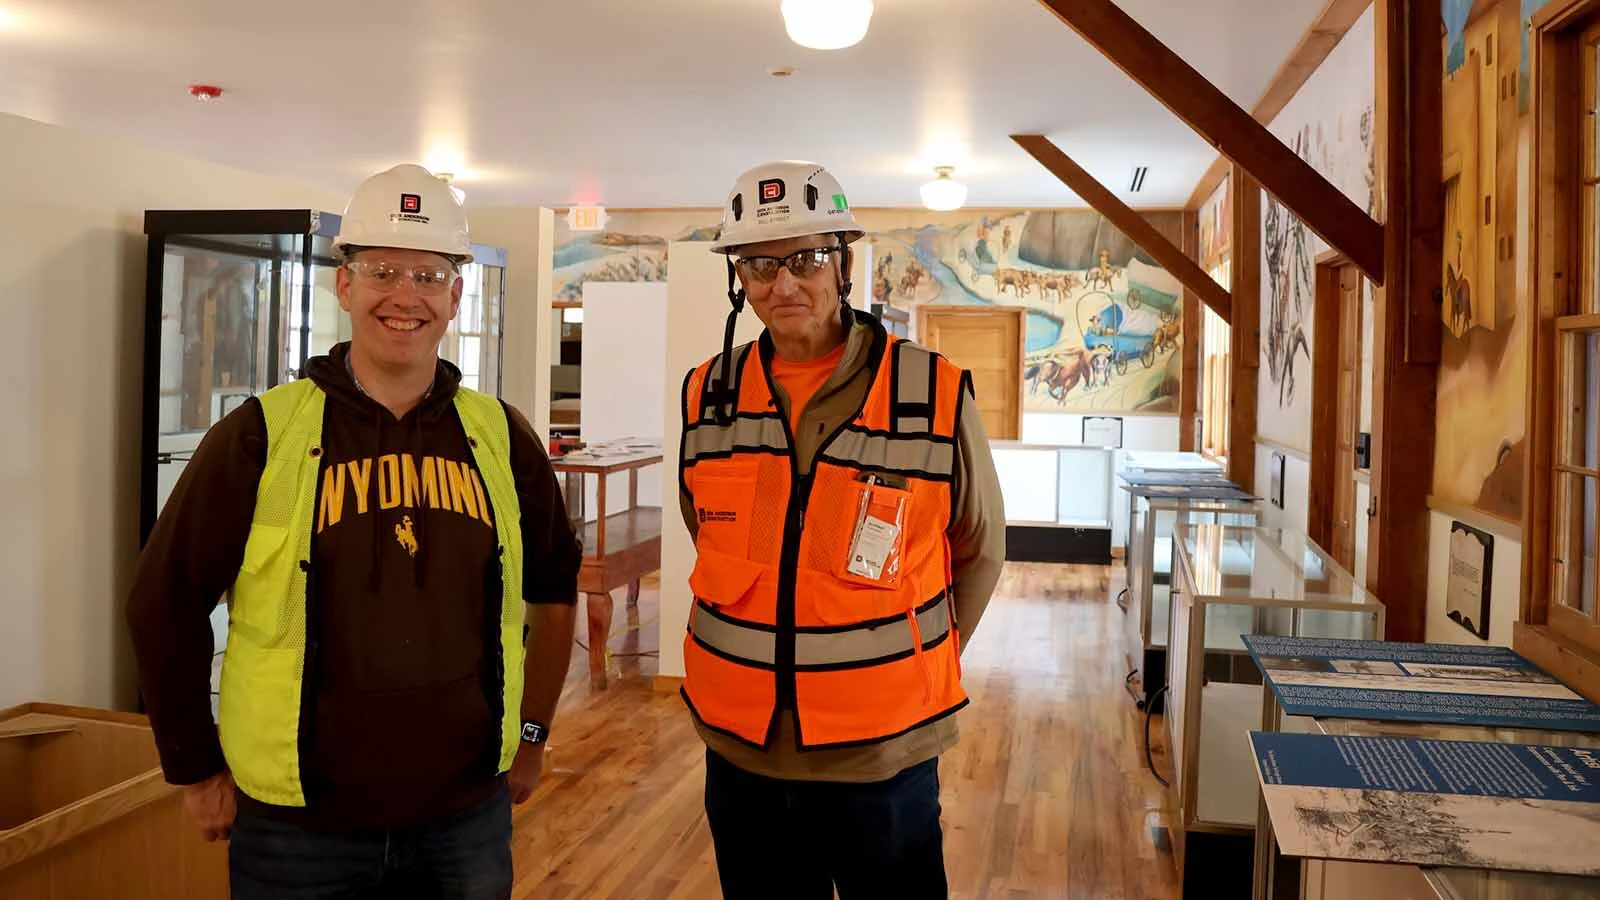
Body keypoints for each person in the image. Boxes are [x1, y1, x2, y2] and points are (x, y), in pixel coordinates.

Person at [125, 163, 581, 899]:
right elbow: (163, 603)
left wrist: (532, 738)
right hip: (297, 824)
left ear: (456, 295)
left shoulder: (499, 435)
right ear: (345, 286)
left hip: (464, 814)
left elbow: (555, 590)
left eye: (430, 276)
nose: (406, 296)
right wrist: (195, 766)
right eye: (382, 272)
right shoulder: (261, 437)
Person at [677, 160, 1006, 899]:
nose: (784, 283)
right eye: (760, 263)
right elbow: (706, 527)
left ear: (843, 262)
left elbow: (981, 548)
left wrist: (907, 658)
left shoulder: (932, 387)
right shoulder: (707, 395)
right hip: (742, 751)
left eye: (808, 258)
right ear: (739, 278)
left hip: (882, 757)